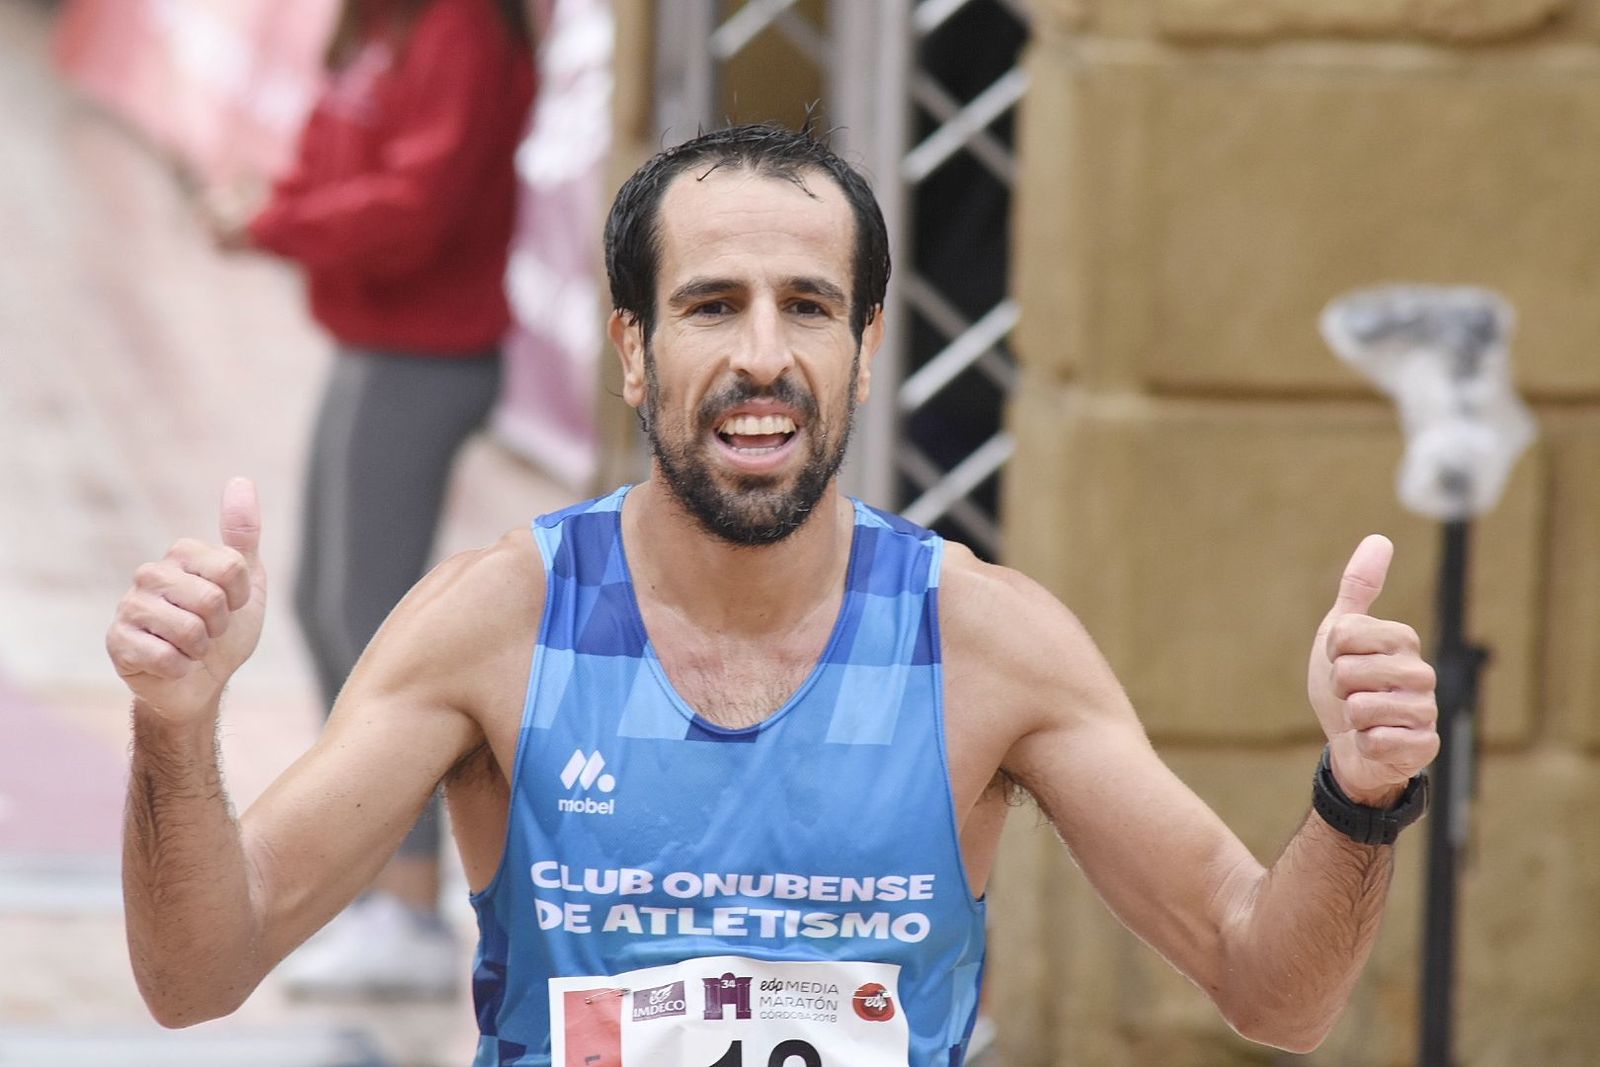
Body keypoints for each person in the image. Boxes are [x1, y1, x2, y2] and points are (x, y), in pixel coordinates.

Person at [108, 123, 1438, 1065]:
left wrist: (1359, 794)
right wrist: (176, 726)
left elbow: (1273, 989)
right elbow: (197, 972)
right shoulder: (494, 623)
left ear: (864, 348)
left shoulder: (986, 639)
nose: (763, 355)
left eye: (807, 305)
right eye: (711, 305)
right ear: (633, 348)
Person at [194, 0, 536, 998]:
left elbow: (418, 206)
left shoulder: (462, 27)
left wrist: (276, 223)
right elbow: (336, 154)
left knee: (376, 622)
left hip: (426, 354)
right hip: (374, 344)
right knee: (320, 605)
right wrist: (270, 202)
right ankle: (378, 884)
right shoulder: (387, 24)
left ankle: (412, 905)